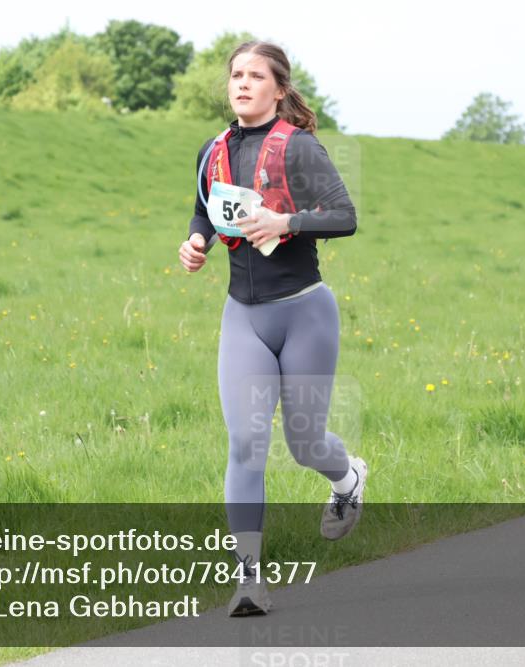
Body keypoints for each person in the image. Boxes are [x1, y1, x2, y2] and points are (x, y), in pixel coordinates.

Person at [178, 40, 367, 616]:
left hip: (305, 310)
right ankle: (249, 580)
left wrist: (285, 219)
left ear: (278, 89)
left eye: (255, 76)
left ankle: (348, 478)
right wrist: (196, 242)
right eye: (236, 74)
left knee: (304, 444)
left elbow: (346, 217)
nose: (242, 84)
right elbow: (203, 208)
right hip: (243, 316)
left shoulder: (300, 148)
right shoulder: (213, 150)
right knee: (245, 444)